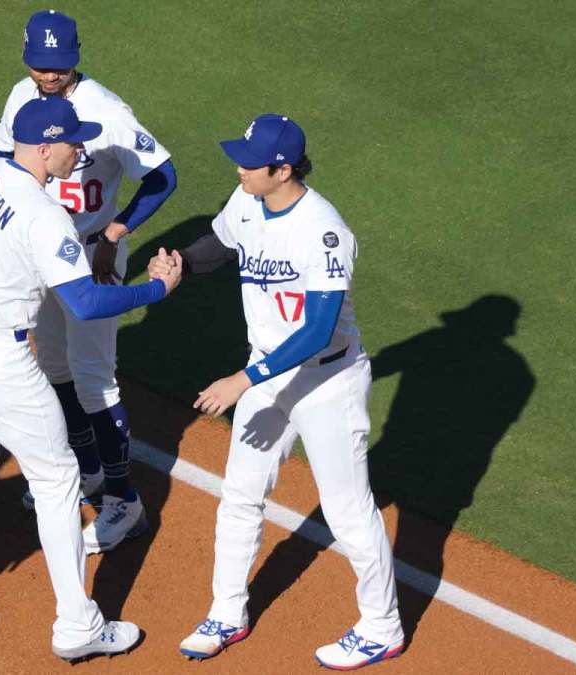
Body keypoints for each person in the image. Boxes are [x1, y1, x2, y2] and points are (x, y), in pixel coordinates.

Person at [0, 96, 182, 661]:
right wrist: (158, 291)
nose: (82, 150)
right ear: (45, 147)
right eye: (74, 141)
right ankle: (78, 626)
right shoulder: (44, 214)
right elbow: (87, 301)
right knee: (56, 481)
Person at [150, 114, 404, 669]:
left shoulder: (323, 230)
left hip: (327, 382)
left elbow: (317, 331)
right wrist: (181, 265)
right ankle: (226, 612)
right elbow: (219, 243)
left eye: (249, 161)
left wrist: (243, 380)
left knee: (347, 510)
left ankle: (383, 626)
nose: (238, 167)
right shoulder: (247, 200)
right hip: (267, 375)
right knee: (240, 494)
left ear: (282, 169)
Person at [0, 9, 179, 553]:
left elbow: (164, 174)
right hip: (37, 252)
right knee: (55, 365)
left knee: (96, 377)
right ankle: (88, 468)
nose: (49, 76)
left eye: (59, 66)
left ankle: (124, 502)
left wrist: (116, 230)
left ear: (77, 57)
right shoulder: (20, 96)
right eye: (41, 66)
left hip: (93, 254)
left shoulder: (106, 112)